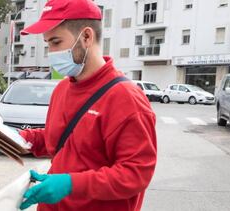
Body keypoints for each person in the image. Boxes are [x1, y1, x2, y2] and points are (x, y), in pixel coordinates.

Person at [18, 0, 157, 210]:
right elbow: (60, 139)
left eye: (56, 42)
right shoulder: (62, 89)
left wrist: (71, 184)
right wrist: (19, 138)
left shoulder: (126, 98)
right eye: (48, 44)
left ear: (86, 37)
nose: (51, 53)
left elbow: (136, 173)